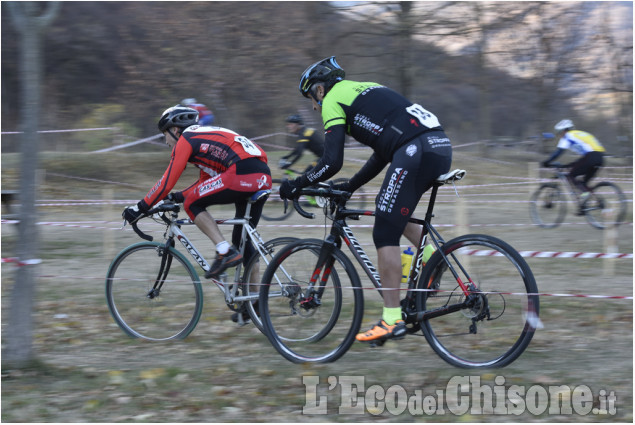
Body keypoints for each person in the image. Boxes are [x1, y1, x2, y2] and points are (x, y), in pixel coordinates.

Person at [279, 56, 452, 343]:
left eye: (311, 97)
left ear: (320, 90)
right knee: (393, 210)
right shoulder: (365, 88)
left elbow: (331, 161)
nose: (313, 105)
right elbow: (383, 151)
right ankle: (434, 256)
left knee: (384, 228)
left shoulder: (333, 100)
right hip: (437, 145)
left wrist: (297, 184)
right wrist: (353, 184)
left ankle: (391, 319)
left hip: (415, 149)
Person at [122, 105, 271, 282]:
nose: (166, 141)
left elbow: (167, 181)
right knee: (243, 244)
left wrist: (140, 208)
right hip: (262, 176)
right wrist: (175, 197)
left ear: (175, 130)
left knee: (192, 203)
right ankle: (254, 304)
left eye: (165, 135)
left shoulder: (186, 139)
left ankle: (224, 251)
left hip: (240, 172)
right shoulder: (203, 139)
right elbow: (204, 184)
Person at [542, 119, 605, 207]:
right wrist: (568, 165)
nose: (560, 136)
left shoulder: (568, 136)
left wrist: (547, 162)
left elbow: (559, 152)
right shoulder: (580, 134)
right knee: (583, 184)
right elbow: (583, 159)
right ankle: (591, 205)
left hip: (590, 156)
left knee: (571, 176)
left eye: (559, 133)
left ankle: (586, 194)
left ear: (564, 131)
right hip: (600, 158)